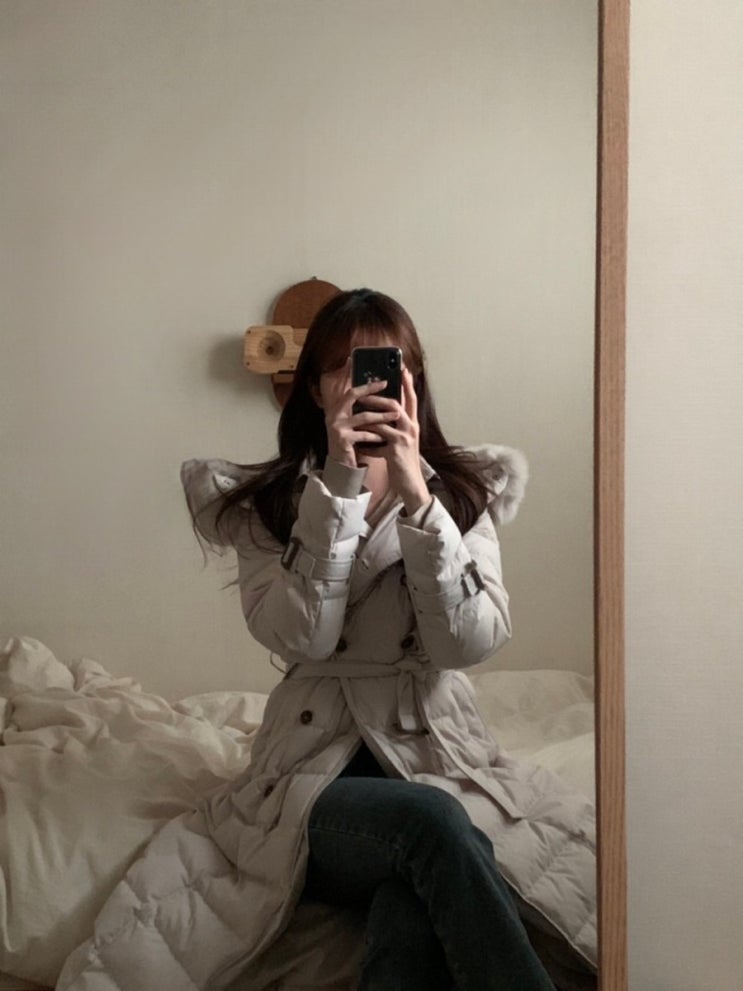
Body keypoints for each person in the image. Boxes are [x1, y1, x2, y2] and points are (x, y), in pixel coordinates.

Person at [56, 289, 596, 991]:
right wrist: (338, 490)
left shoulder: (462, 495)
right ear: (314, 388)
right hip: (310, 780)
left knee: (410, 900)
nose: (361, 384)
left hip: (437, 756)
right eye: (342, 367)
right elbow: (302, 638)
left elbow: (467, 645)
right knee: (429, 824)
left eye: (380, 366)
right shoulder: (270, 504)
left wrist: (419, 500)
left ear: (411, 381)